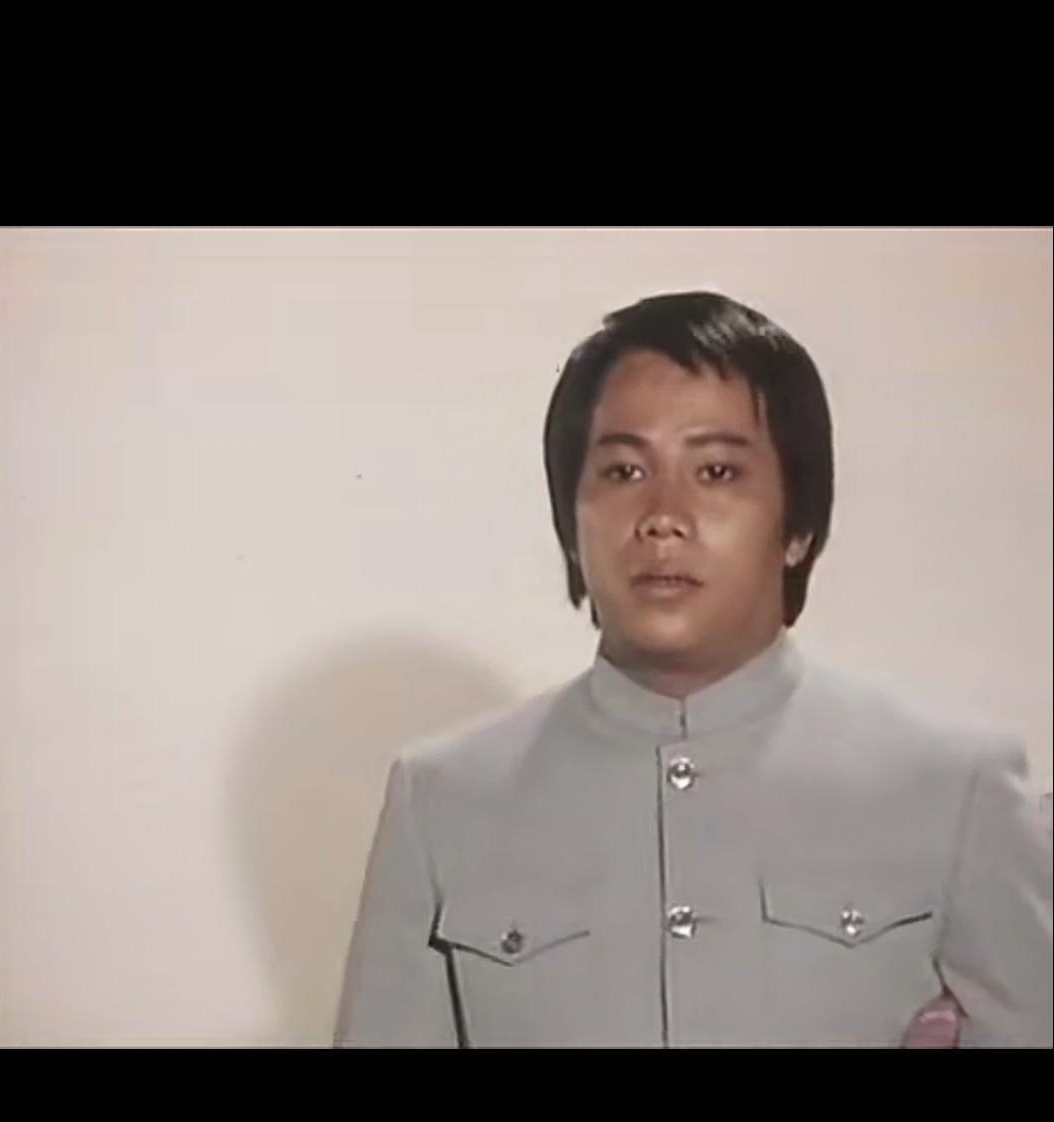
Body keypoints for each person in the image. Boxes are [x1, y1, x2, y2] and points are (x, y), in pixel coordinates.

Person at [333, 290, 1051, 1048]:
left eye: (715, 471)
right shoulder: (441, 800)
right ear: (571, 524)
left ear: (798, 526)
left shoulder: (956, 786)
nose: (663, 517)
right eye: (622, 471)